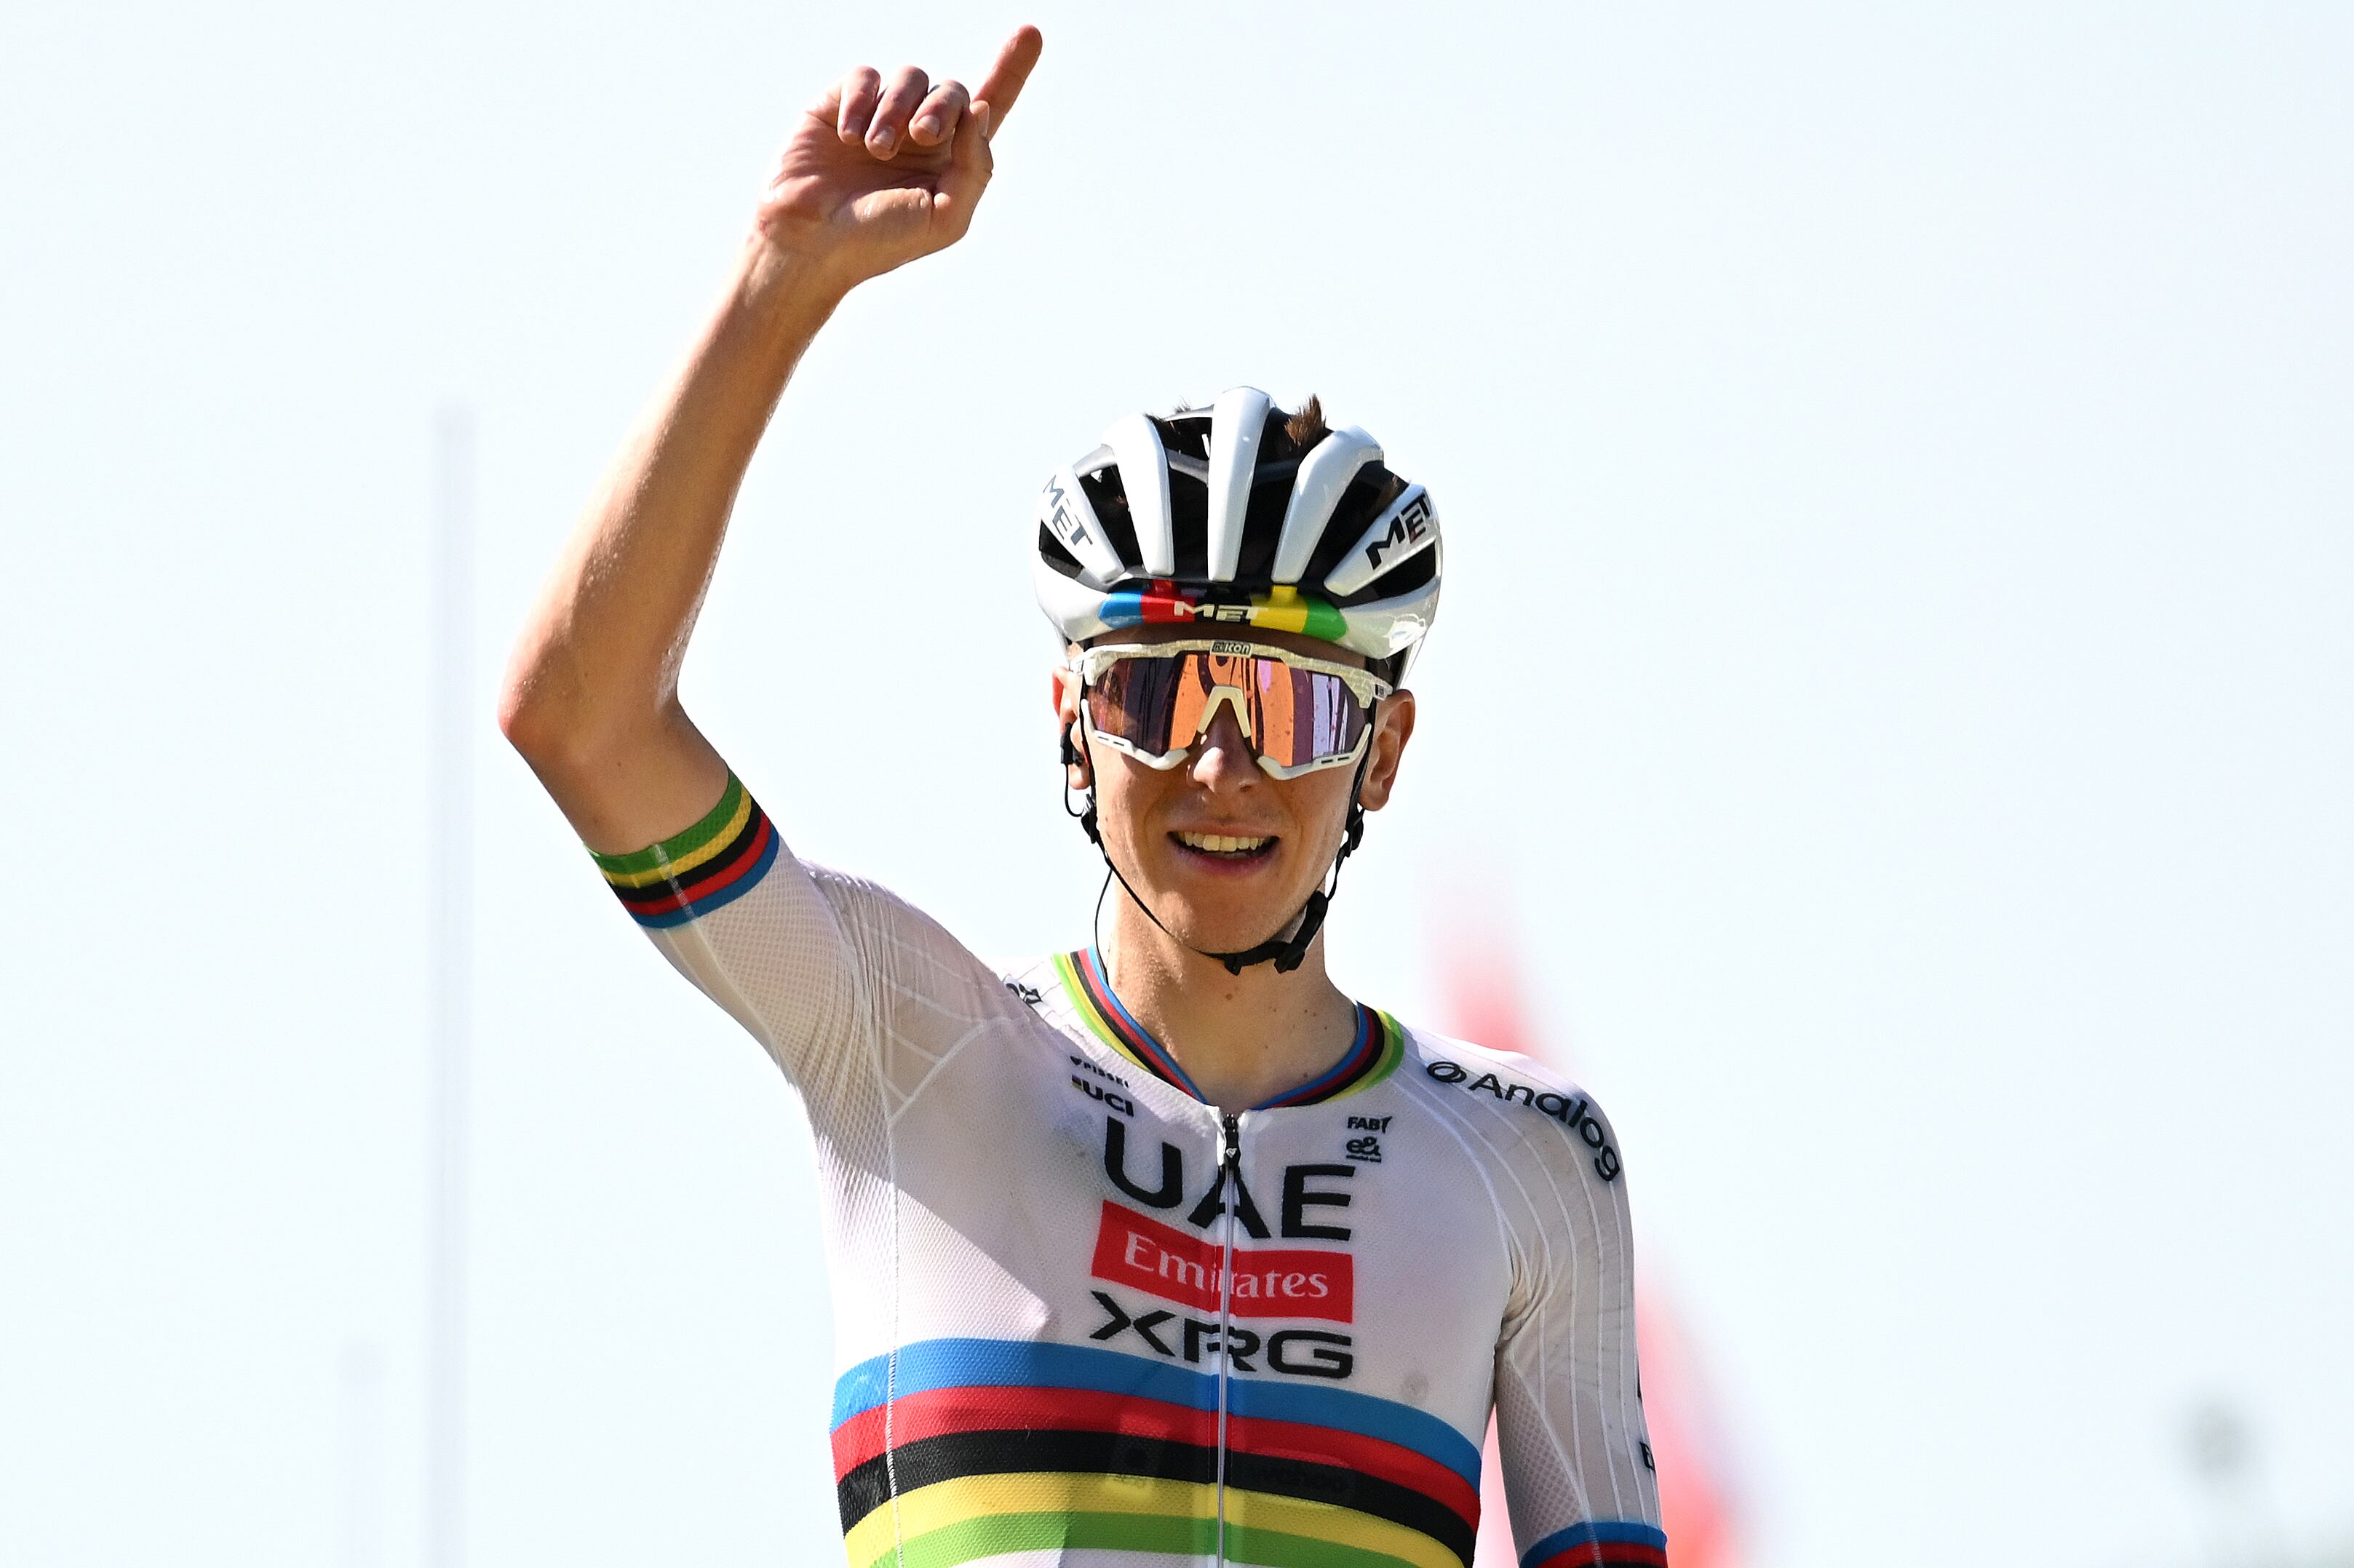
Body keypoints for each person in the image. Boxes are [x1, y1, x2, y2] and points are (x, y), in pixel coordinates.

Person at [500, 25, 1668, 1568]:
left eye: (1296, 703)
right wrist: (781, 281)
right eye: (1162, 693)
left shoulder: (1524, 1159)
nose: (1219, 763)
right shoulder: (912, 1040)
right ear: (1074, 724)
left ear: (1381, 754)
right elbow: (582, 720)